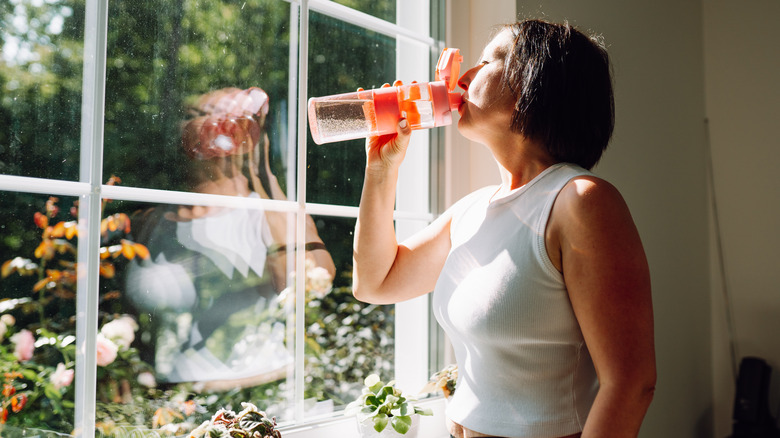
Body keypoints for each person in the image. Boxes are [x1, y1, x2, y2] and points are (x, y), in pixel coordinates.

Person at [352, 19, 656, 438]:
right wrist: (381, 169)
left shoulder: (581, 202)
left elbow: (631, 384)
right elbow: (375, 282)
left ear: (536, 85)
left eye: (487, 60)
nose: (464, 76)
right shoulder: (473, 210)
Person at [125, 87, 335, 390]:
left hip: (264, 388)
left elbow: (315, 281)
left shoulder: (266, 211)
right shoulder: (155, 221)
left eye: (228, 119)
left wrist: (262, 172)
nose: (217, 129)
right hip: (173, 397)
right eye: (198, 117)